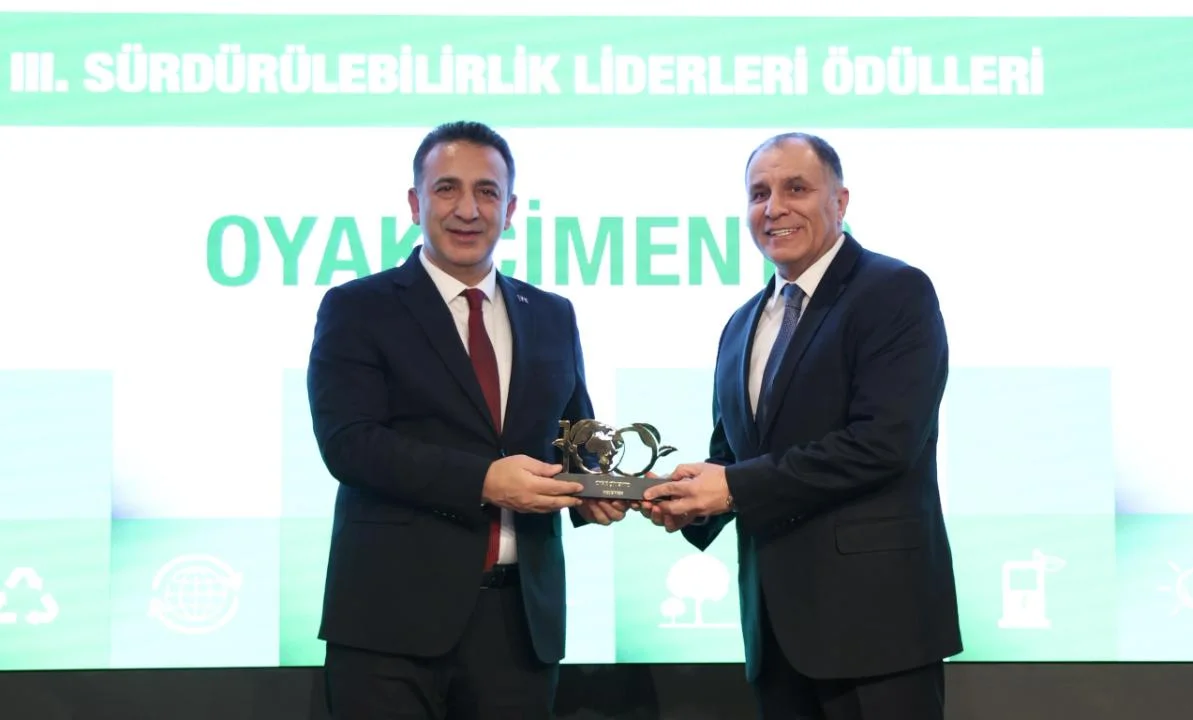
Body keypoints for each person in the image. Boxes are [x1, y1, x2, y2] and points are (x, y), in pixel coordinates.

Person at [306, 120, 627, 720]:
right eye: (447, 188)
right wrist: (484, 480)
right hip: (389, 624)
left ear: (510, 210)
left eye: (487, 192)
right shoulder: (358, 307)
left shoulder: (552, 314)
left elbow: (575, 440)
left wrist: (600, 490)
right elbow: (349, 444)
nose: (467, 209)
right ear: (415, 203)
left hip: (519, 627)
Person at [641, 132, 962, 719]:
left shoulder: (894, 291)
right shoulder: (741, 324)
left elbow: (882, 443)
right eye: (758, 193)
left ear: (840, 201)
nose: (774, 208)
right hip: (775, 632)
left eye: (796, 188)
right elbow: (734, 459)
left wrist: (732, 487)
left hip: (877, 630)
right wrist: (688, 500)